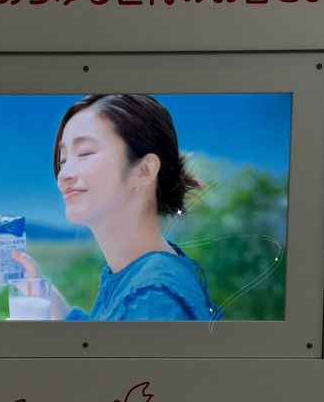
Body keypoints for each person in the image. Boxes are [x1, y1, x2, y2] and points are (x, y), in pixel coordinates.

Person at [12, 94, 217, 321]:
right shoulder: (141, 274)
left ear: (144, 170)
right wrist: (45, 295)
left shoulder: (152, 295)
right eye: (63, 160)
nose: (64, 175)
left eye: (85, 153)